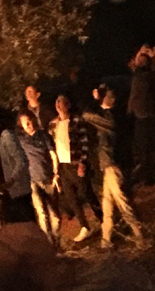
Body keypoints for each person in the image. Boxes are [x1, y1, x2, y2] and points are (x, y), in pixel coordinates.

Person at [83, 85, 146, 250]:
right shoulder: (115, 115)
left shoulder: (109, 118)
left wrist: (94, 100)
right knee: (107, 204)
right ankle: (106, 241)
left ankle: (140, 236)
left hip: (111, 165)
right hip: (109, 165)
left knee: (120, 201)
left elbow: (86, 114)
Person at [49, 94, 95, 242]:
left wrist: (83, 162)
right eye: (56, 102)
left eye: (61, 102)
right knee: (71, 197)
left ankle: (102, 218)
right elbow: (52, 145)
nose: (58, 105)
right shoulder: (53, 124)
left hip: (75, 163)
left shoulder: (76, 121)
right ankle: (84, 226)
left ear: (67, 105)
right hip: (63, 166)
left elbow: (84, 142)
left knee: (85, 192)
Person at [18, 111, 60, 245]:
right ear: (22, 126)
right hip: (33, 181)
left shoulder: (43, 135)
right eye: (25, 123)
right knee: (42, 214)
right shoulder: (21, 140)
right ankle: (49, 246)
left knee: (55, 216)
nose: (29, 124)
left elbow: (53, 155)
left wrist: (56, 174)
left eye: (29, 120)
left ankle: (57, 242)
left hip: (48, 178)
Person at [0, 106, 35, 225]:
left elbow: (21, 160)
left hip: (17, 192)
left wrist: (11, 181)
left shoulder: (7, 136)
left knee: (24, 226)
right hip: (9, 192)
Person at [128, 45, 155, 185]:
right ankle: (148, 177)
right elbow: (133, 64)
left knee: (149, 148)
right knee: (143, 149)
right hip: (139, 116)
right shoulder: (137, 74)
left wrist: (151, 56)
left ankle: (149, 176)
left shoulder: (149, 74)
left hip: (149, 115)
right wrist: (141, 52)